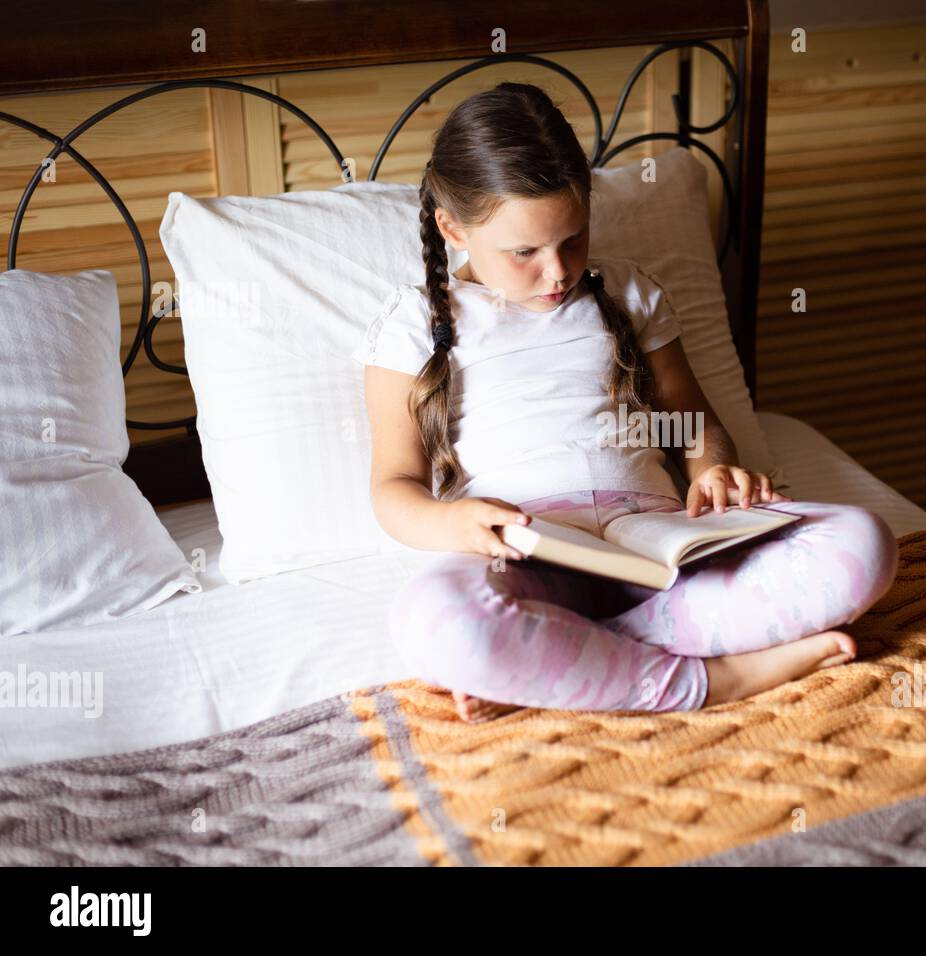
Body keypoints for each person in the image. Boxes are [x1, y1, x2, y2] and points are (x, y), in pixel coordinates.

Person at [354, 82, 898, 724]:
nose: (557, 272)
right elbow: (394, 485)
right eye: (524, 252)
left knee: (863, 543)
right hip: (530, 551)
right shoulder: (416, 322)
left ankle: (560, 662)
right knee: (435, 624)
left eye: (573, 239)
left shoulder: (629, 293)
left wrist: (710, 468)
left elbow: (692, 422)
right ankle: (712, 680)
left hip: (655, 544)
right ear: (453, 229)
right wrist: (455, 524)